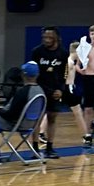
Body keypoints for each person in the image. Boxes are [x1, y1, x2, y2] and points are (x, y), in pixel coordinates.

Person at [0, 62, 46, 158]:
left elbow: (11, 115)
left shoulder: (22, 92)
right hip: (31, 124)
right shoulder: (41, 92)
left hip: (15, 124)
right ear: (37, 75)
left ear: (23, 74)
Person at [30, 26, 66, 158]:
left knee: (52, 118)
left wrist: (61, 90)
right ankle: (34, 147)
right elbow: (32, 73)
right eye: (44, 37)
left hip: (55, 90)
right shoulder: (37, 52)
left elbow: (65, 74)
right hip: (40, 89)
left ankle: (50, 147)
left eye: (49, 37)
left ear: (56, 38)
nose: (46, 40)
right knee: (37, 119)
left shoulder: (63, 53)